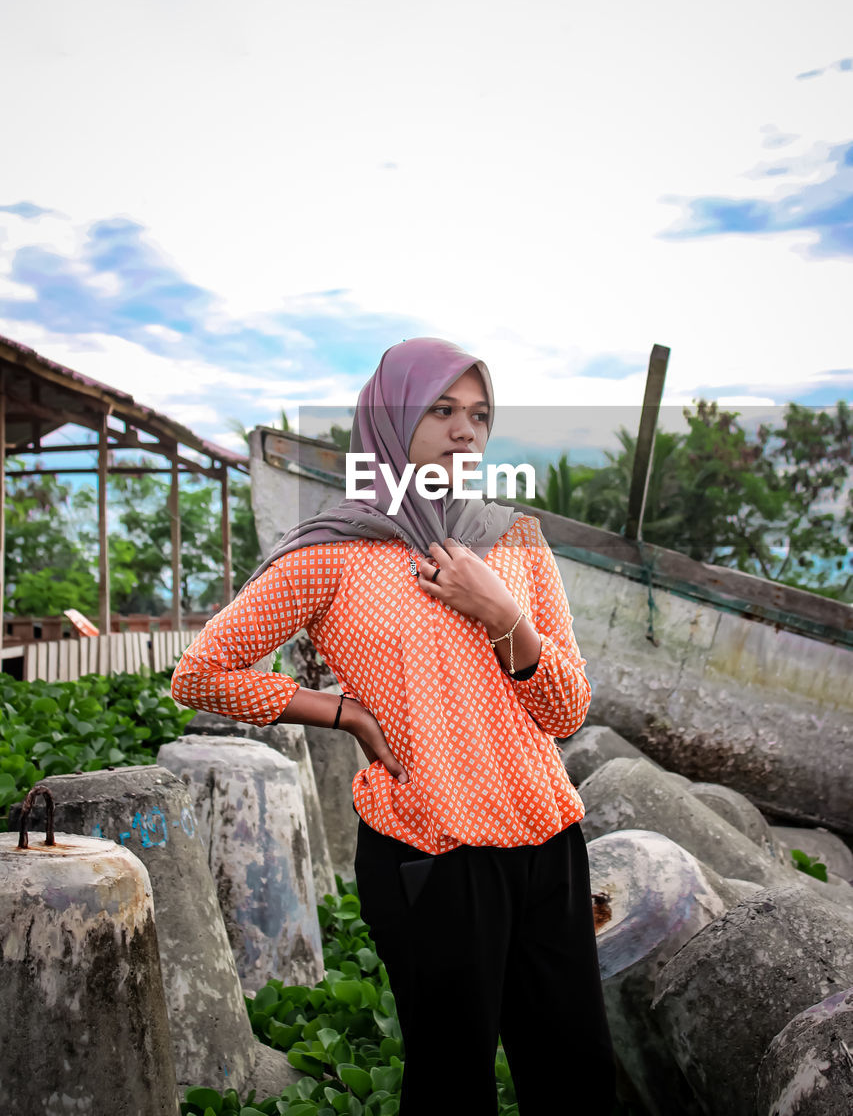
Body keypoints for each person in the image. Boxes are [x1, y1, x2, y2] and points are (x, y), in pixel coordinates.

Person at [171, 336, 616, 1116]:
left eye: (478, 415)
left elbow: (565, 712)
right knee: (452, 1087)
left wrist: (502, 614)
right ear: (389, 418)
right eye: (440, 410)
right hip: (431, 855)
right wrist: (342, 712)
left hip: (547, 840)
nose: (464, 431)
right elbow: (202, 673)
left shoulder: (513, 539)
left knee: (575, 1079)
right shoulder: (335, 553)